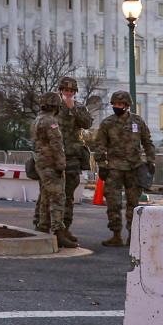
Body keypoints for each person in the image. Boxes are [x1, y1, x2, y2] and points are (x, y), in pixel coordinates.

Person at [91, 90, 156, 246]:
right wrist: (102, 164)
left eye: (121, 104)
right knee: (113, 203)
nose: (117, 106)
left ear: (127, 105)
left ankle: (133, 236)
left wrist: (151, 160)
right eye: (115, 104)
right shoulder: (107, 123)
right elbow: (100, 145)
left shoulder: (137, 122)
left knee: (133, 204)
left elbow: (147, 142)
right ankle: (116, 235)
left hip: (134, 167)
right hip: (114, 169)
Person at [33, 76, 92, 236]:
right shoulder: (53, 109)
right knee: (47, 193)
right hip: (51, 158)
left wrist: (73, 110)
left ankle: (64, 227)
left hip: (71, 157)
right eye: (66, 90)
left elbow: (87, 124)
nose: (68, 93)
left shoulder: (80, 108)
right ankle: (41, 223)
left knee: (68, 196)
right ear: (60, 91)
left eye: (71, 91)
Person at [31, 92, 76, 248]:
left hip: (40, 162)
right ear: (56, 106)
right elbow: (56, 144)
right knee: (58, 197)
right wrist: (61, 164)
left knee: (45, 196)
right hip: (50, 163)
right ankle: (58, 231)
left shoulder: (37, 120)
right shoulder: (51, 121)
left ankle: (43, 226)